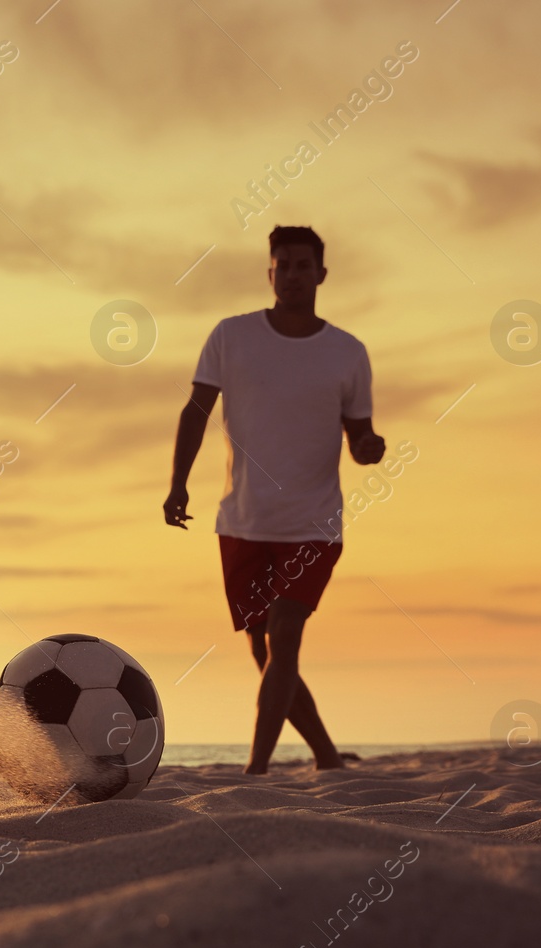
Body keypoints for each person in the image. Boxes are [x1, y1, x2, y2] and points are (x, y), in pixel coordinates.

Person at [162, 226, 382, 774]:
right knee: (266, 652)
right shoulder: (231, 337)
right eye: (282, 265)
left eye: (303, 266)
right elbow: (196, 410)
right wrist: (178, 483)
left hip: (312, 523)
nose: (292, 274)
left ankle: (255, 770)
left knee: (285, 636)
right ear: (270, 273)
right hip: (243, 520)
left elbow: (359, 436)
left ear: (321, 275)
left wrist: (371, 448)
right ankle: (328, 757)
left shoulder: (347, 352)